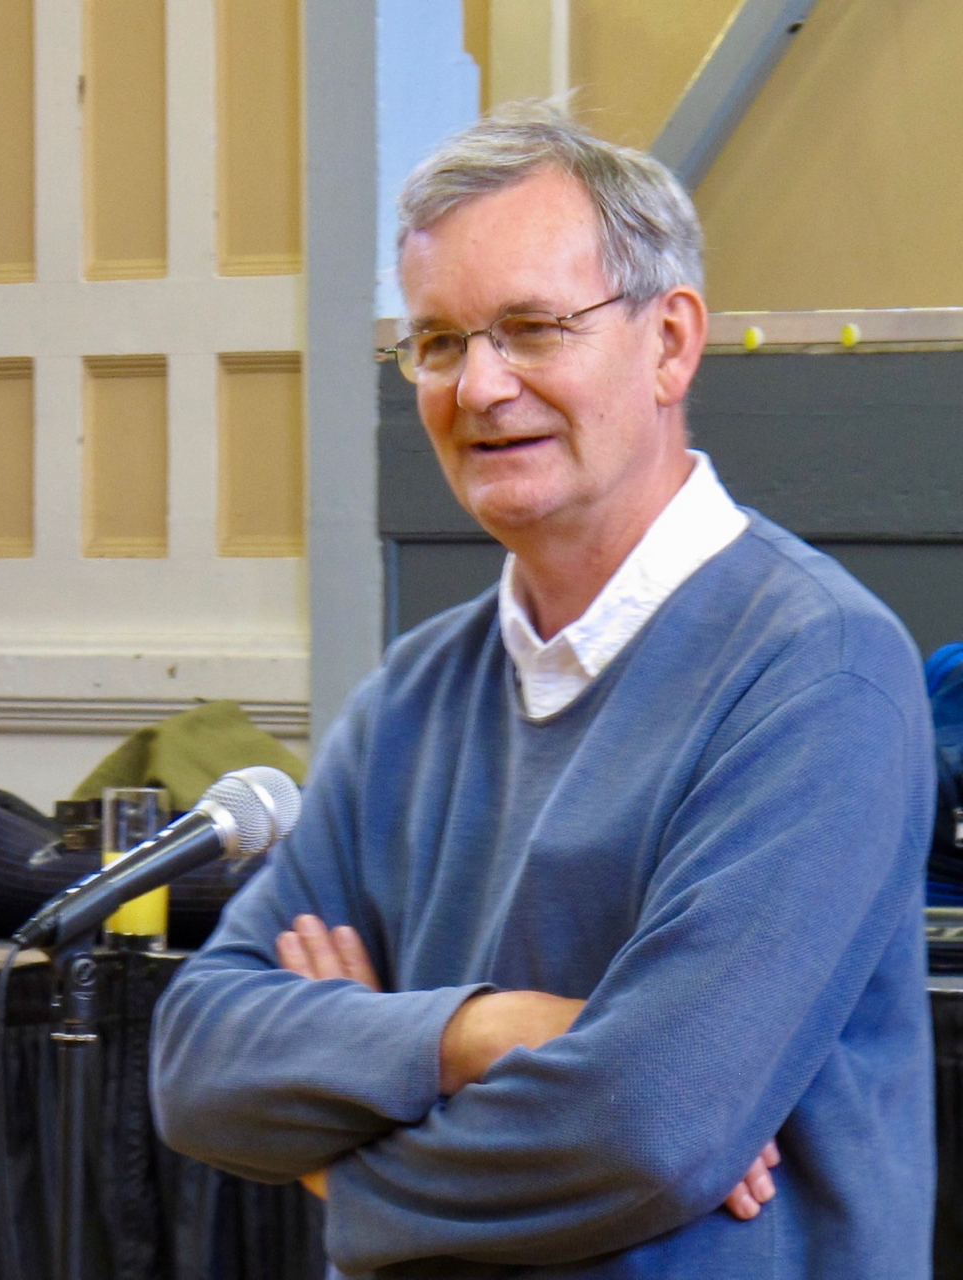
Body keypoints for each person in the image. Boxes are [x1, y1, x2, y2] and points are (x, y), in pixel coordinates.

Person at [150, 103, 935, 1279]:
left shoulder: (814, 672)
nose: (478, 386)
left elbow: (644, 1126)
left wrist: (338, 1156)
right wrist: (482, 1031)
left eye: (530, 328)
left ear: (669, 343)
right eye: (436, 341)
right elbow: (196, 1061)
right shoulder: (412, 694)